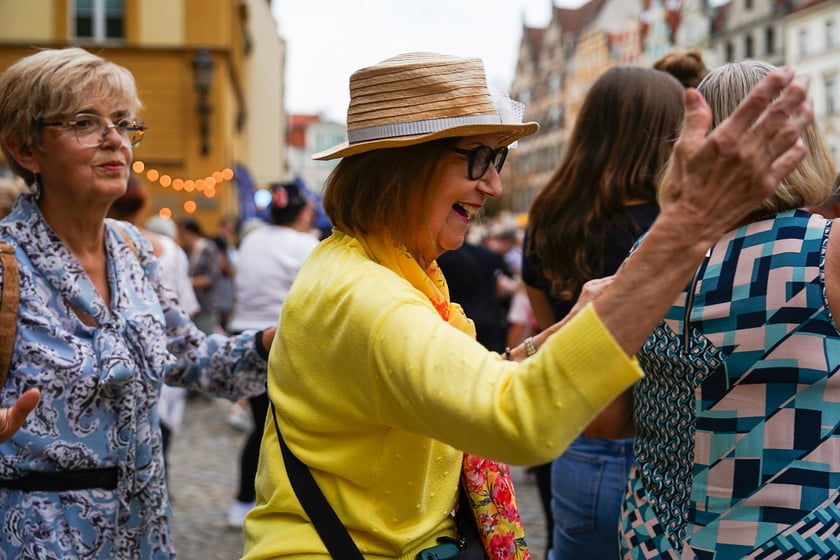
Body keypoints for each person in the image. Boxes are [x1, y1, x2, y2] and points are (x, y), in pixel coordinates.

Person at [240, 51, 814, 559]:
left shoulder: (385, 265)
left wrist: (560, 332)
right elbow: (519, 424)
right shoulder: (367, 297)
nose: (492, 184)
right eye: (479, 158)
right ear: (406, 163)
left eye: (500, 160)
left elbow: (467, 386)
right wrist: (687, 227)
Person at [0, 46, 274, 559]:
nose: (115, 141)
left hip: (143, 533)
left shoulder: (131, 249)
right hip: (39, 539)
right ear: (26, 148)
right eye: (86, 122)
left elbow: (191, 359)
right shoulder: (6, 263)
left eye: (124, 124)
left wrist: (273, 343)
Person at [584, 60, 839, 560]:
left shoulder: (648, 256)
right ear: (800, 141)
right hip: (794, 543)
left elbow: (605, 422)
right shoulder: (826, 252)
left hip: (652, 539)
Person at [523, 65, 686, 559]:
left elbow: (545, 322)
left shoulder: (549, 215)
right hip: (659, 443)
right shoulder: (673, 225)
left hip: (575, 438)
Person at [226, 180, 319, 528]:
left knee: (261, 424)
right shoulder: (306, 244)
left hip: (244, 334)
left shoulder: (252, 239)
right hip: (282, 338)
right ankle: (273, 502)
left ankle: (244, 499)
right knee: (284, 428)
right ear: (301, 211)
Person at [108, 174, 201, 494]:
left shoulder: (85, 244)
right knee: (159, 442)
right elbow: (185, 311)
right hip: (163, 368)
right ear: (143, 203)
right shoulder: (170, 251)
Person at [177, 216, 221, 335]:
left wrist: (187, 282)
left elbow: (211, 278)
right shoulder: (185, 250)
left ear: (188, 232)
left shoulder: (208, 248)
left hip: (206, 305)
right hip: (190, 305)